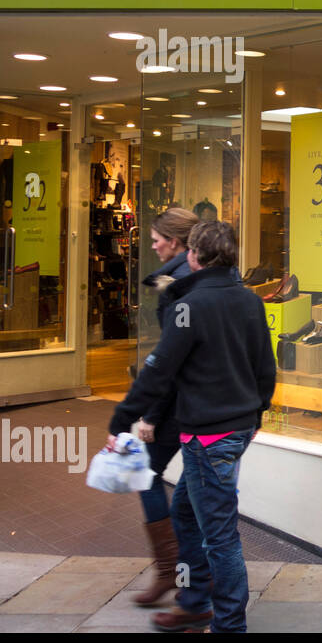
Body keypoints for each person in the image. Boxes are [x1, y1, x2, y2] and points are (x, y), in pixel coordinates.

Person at [109, 221, 275, 632]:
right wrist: (254, 417)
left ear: (194, 256)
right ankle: (195, 600)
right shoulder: (249, 302)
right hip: (232, 431)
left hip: (208, 435)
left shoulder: (189, 306)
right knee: (184, 513)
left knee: (220, 536)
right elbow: (265, 368)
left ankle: (228, 624)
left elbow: (159, 370)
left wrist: (123, 417)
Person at [107, 206, 198, 606]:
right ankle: (181, 574)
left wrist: (149, 415)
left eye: (158, 238)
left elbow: (170, 359)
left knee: (146, 472)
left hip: (181, 405)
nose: (154, 244)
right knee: (192, 495)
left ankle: (172, 571)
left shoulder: (176, 285)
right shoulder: (208, 277)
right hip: (208, 405)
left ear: (175, 242)